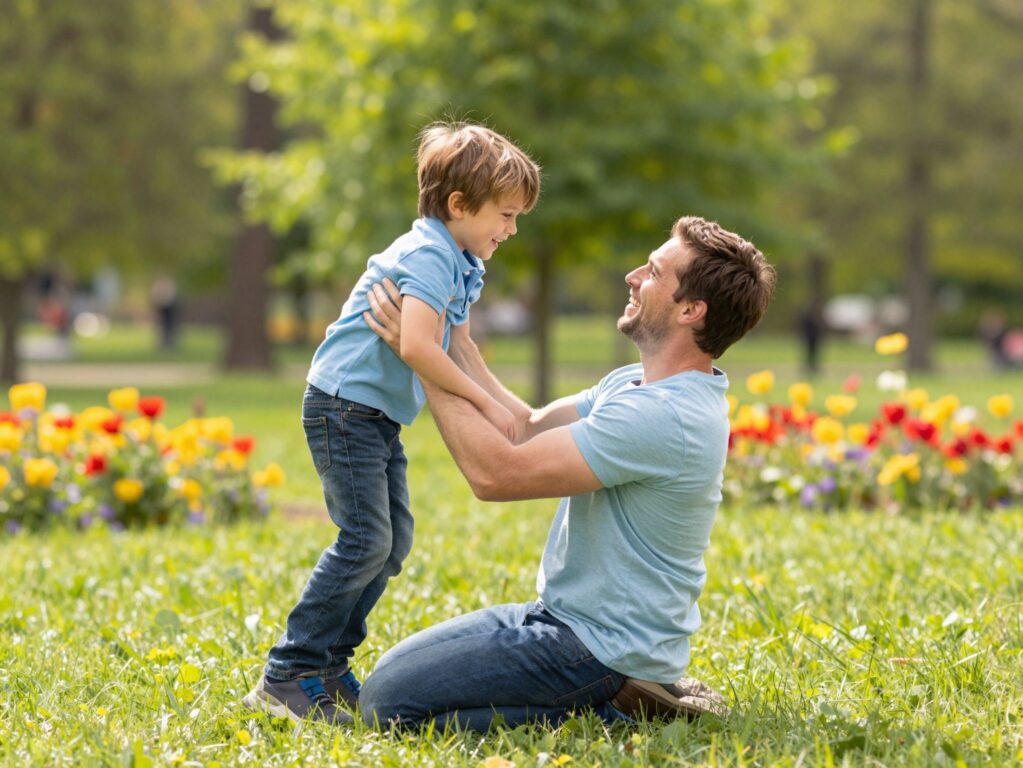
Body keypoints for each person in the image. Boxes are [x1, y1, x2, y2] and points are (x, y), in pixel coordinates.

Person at [358, 215, 776, 730]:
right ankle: (629, 694)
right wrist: (454, 342)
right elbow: (524, 427)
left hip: (600, 648)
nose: (632, 276)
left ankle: (617, 710)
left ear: (691, 309)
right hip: (558, 619)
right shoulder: (635, 385)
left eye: (653, 271)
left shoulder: (667, 415)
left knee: (388, 706)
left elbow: (495, 473)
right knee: (385, 676)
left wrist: (418, 353)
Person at [243, 122, 541, 724]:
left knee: (391, 541)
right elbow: (418, 347)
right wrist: (482, 407)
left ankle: (327, 666)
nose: (511, 229)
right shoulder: (429, 254)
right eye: (505, 215)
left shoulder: (458, 259)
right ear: (459, 205)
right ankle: (287, 673)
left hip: (372, 416)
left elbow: (460, 346)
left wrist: (511, 409)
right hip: (342, 407)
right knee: (366, 539)